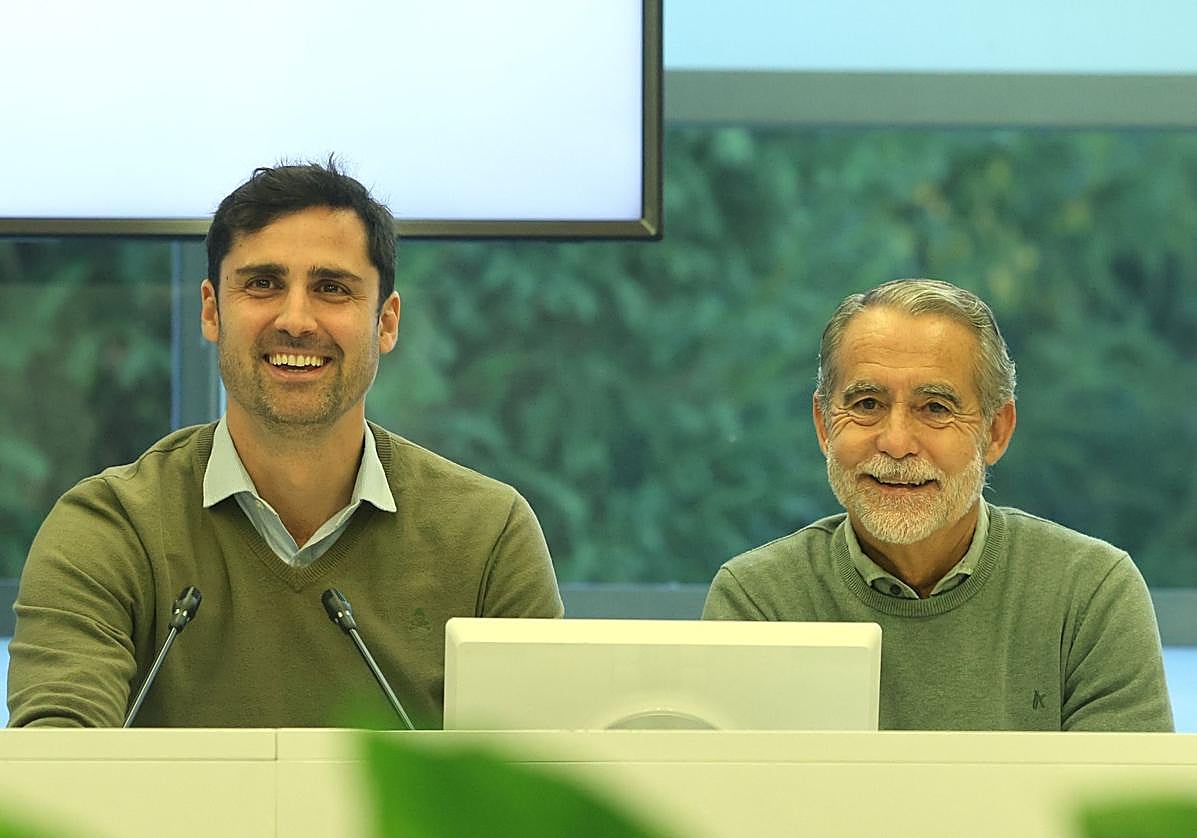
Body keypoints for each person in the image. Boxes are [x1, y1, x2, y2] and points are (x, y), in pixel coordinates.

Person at [7, 160, 563, 729]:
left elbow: (546, 776)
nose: (296, 320)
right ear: (211, 311)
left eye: (332, 289)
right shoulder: (111, 528)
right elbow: (52, 764)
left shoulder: (488, 537)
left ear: (386, 323)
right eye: (263, 284)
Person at [703, 278, 1173, 731]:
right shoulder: (759, 602)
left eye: (935, 408)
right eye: (867, 404)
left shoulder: (1089, 594)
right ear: (825, 426)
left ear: (996, 432)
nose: (896, 443)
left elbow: (1123, 788)